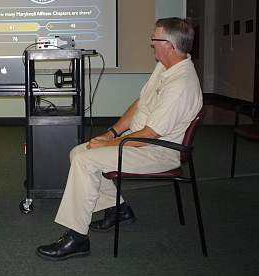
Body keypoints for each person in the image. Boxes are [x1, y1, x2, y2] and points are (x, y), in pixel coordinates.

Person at [36, 17, 203, 261]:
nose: (151, 44)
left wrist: (108, 144)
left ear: (169, 45)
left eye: (154, 39)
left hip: (159, 150)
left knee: (85, 160)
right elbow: (140, 103)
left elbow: (150, 135)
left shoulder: (182, 84)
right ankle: (118, 209)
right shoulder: (166, 67)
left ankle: (77, 238)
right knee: (78, 152)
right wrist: (112, 133)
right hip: (140, 142)